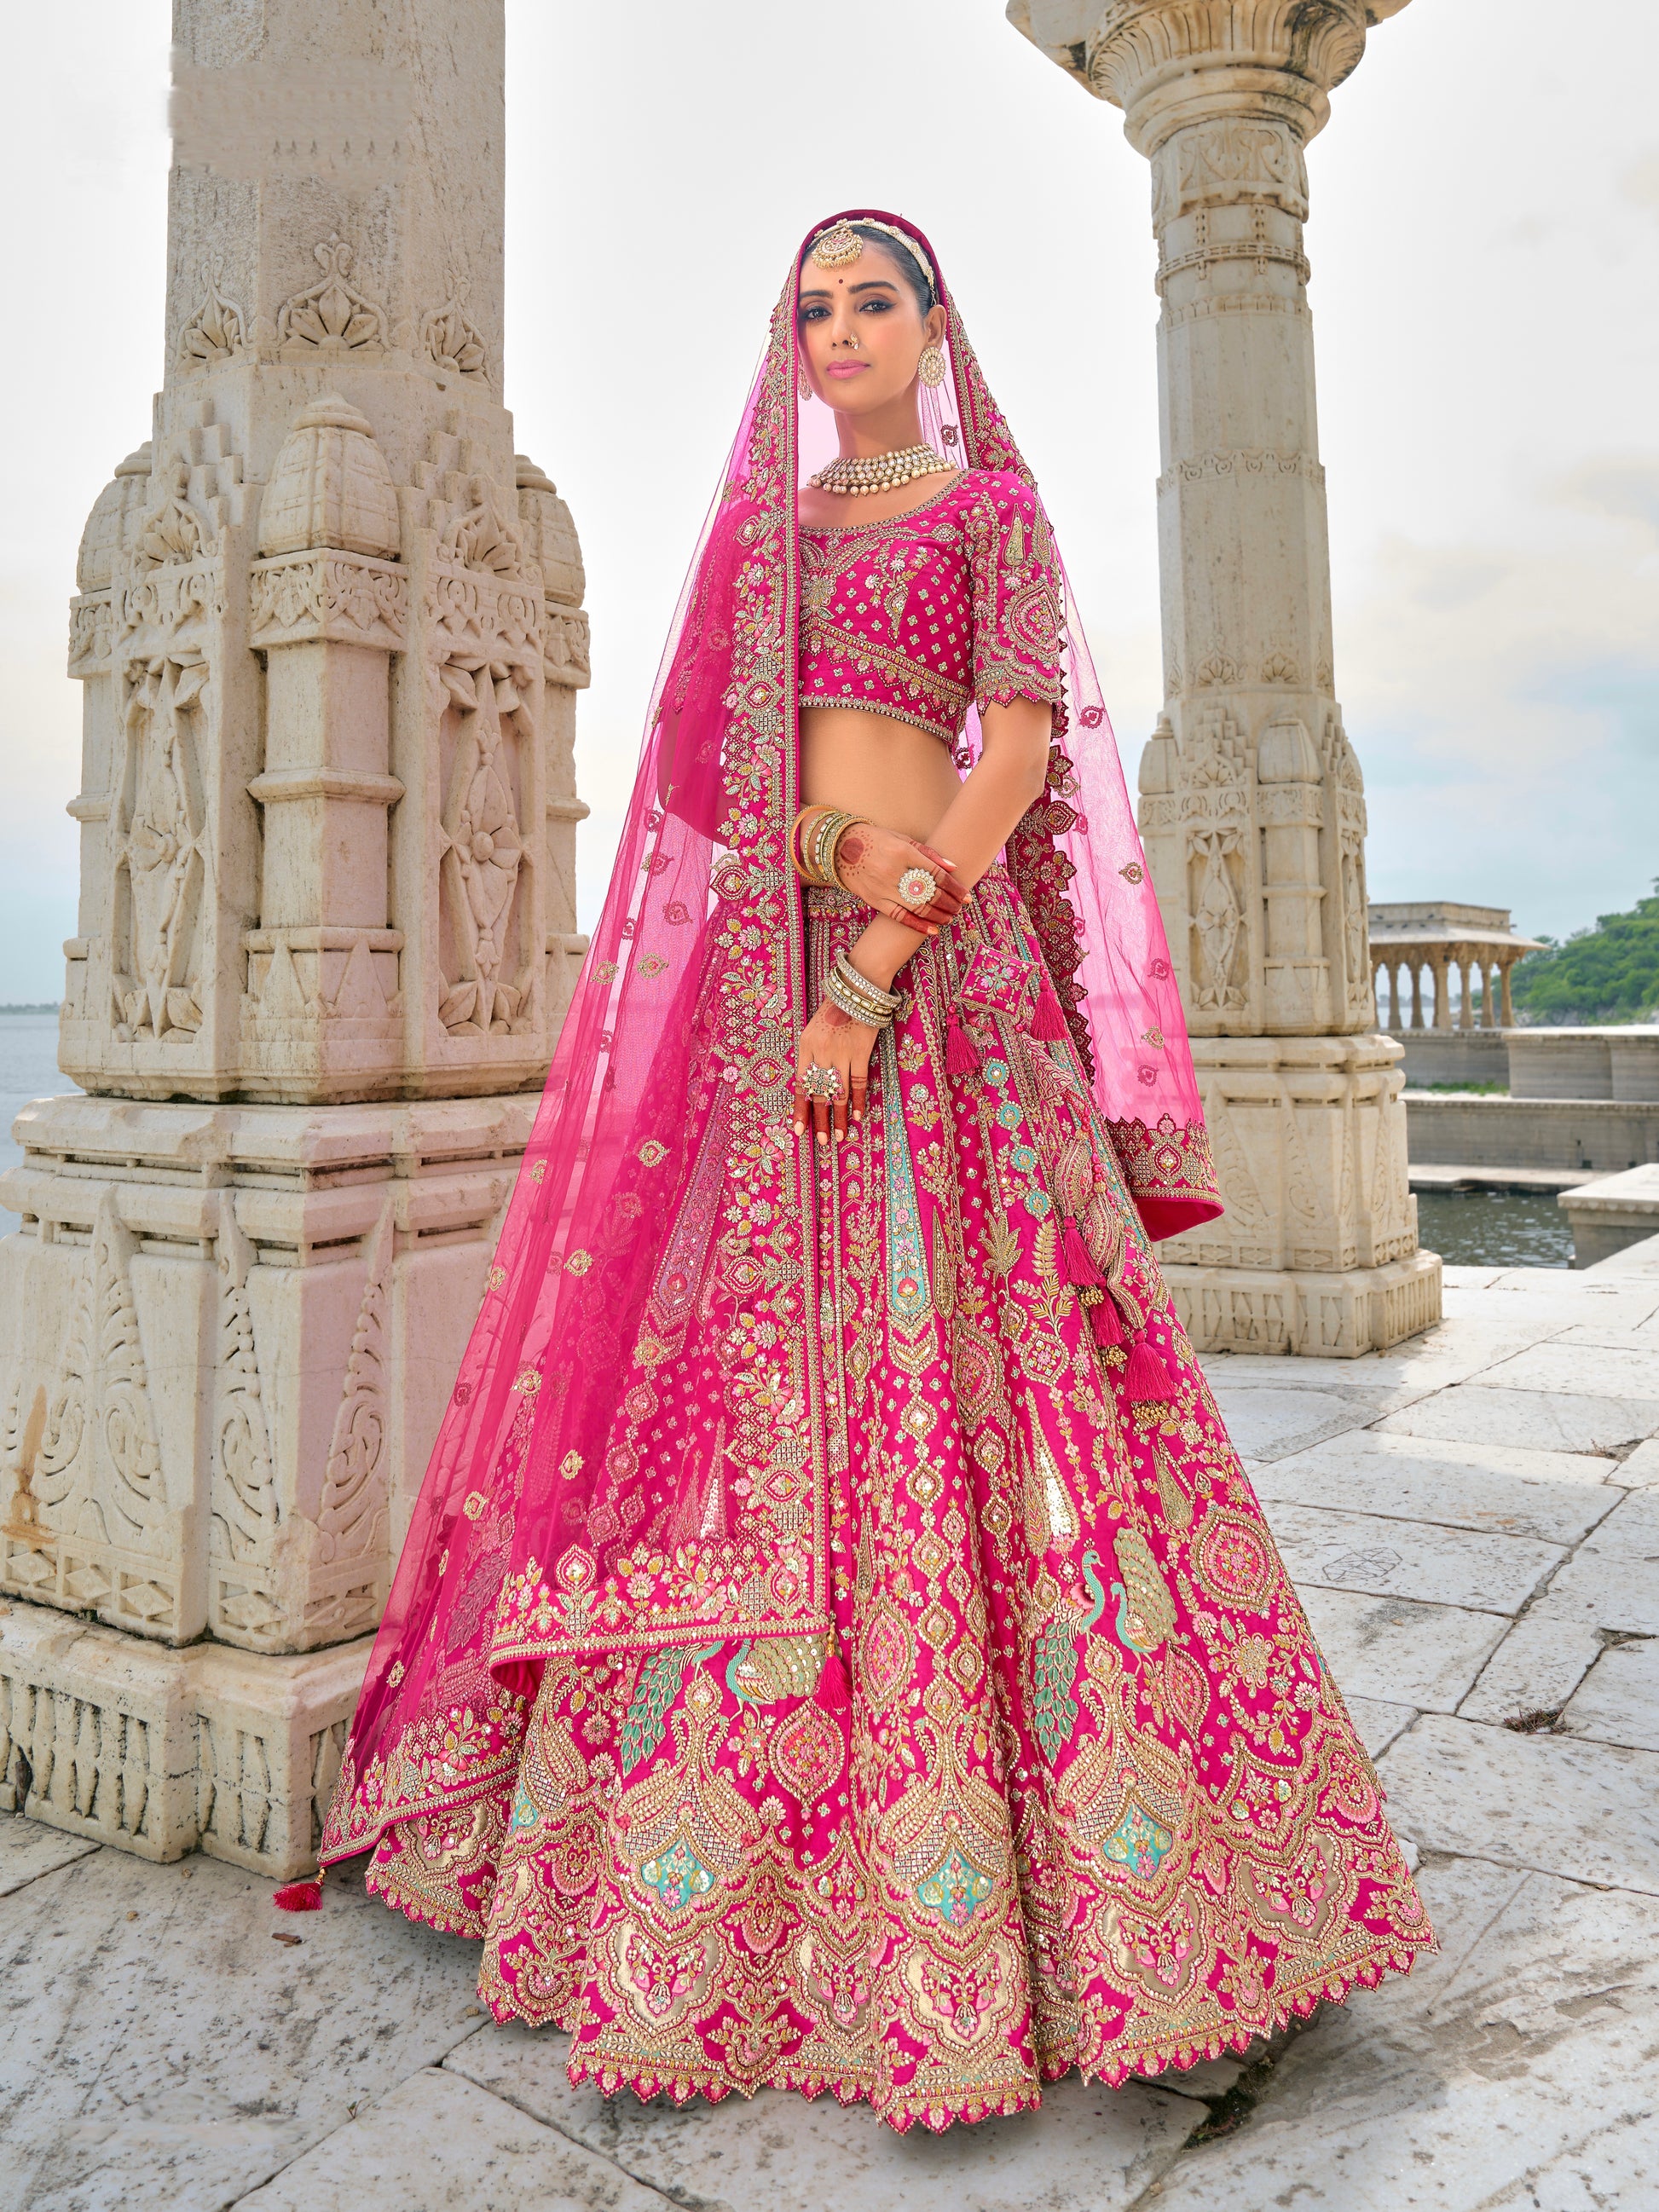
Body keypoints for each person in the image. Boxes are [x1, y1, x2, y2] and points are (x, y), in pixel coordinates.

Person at [320, 211, 1431, 2132]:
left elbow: (1012, 760)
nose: (838, 332)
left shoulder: (986, 511)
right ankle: (722, 1877)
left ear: (936, 325)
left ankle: (1114, 1870)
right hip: (773, 999)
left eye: (871, 301)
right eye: (812, 307)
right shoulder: (766, 543)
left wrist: (877, 946)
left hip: (941, 993)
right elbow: (690, 775)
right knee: (758, 1395)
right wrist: (828, 849)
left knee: (1005, 1382)